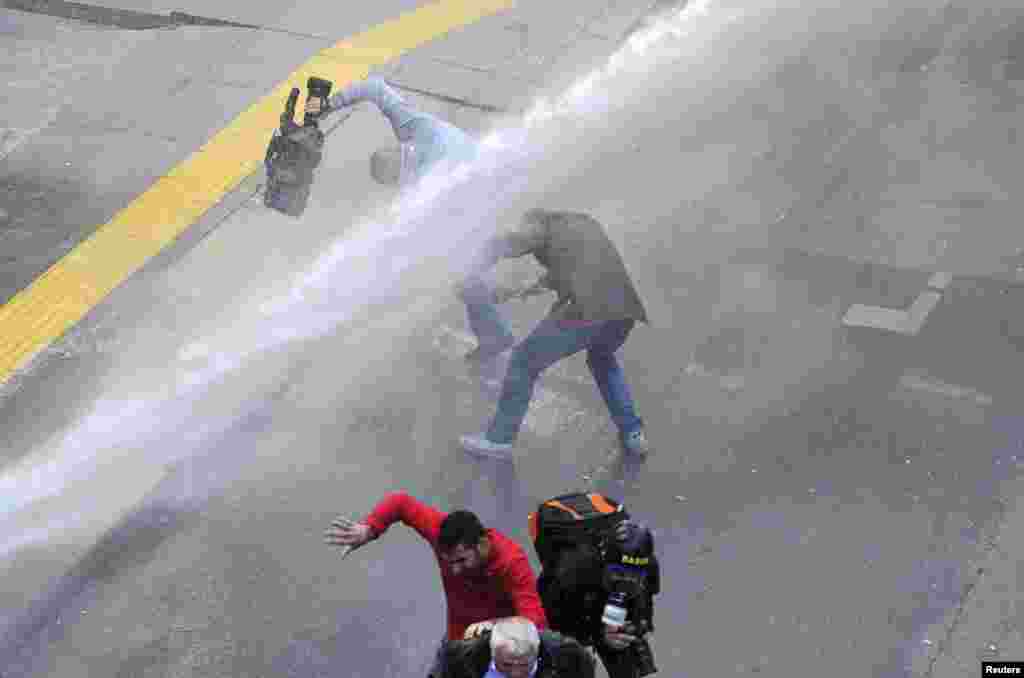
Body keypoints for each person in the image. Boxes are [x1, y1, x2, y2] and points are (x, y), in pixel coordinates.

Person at [457, 208, 651, 460]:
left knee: (523, 361)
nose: (523, 232)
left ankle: (499, 439)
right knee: (601, 359)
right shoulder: (580, 225)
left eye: (525, 226)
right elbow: (569, 271)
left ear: (537, 222)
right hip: (623, 311)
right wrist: (523, 290)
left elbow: (516, 242)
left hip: (586, 311)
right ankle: (632, 433)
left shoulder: (548, 229)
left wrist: (471, 266)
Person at [324, 491, 548, 644]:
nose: (455, 570)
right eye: (449, 562)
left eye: (461, 561)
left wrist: (494, 626)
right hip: (456, 638)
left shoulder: (511, 561)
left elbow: (534, 621)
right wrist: (369, 529)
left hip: (497, 644)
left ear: (482, 544)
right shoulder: (439, 530)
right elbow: (400, 503)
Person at [537, 519, 660, 678]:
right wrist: (599, 638)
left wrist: (639, 626)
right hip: (573, 608)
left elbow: (645, 604)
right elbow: (556, 628)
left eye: (634, 576)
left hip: (608, 610)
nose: (626, 582)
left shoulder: (649, 567)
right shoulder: (570, 572)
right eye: (618, 574)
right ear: (604, 559)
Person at [325, 76, 478, 188]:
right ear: (398, 149)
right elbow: (375, 88)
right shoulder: (414, 128)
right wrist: (330, 104)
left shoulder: (428, 184)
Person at [434, 616, 595, 678]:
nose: (516, 674)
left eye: (525, 664)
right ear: (492, 652)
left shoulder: (567, 655)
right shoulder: (458, 658)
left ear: (537, 651)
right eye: (506, 664)